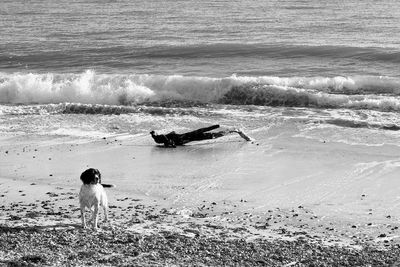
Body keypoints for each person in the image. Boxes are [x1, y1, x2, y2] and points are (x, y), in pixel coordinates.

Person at [150, 124, 252, 147]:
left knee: (221, 134)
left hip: (206, 135)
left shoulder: (180, 137)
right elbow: (158, 137)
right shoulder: (162, 139)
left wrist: (215, 126)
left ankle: (236, 130)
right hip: (205, 135)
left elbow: (201, 130)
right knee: (220, 134)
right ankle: (236, 131)